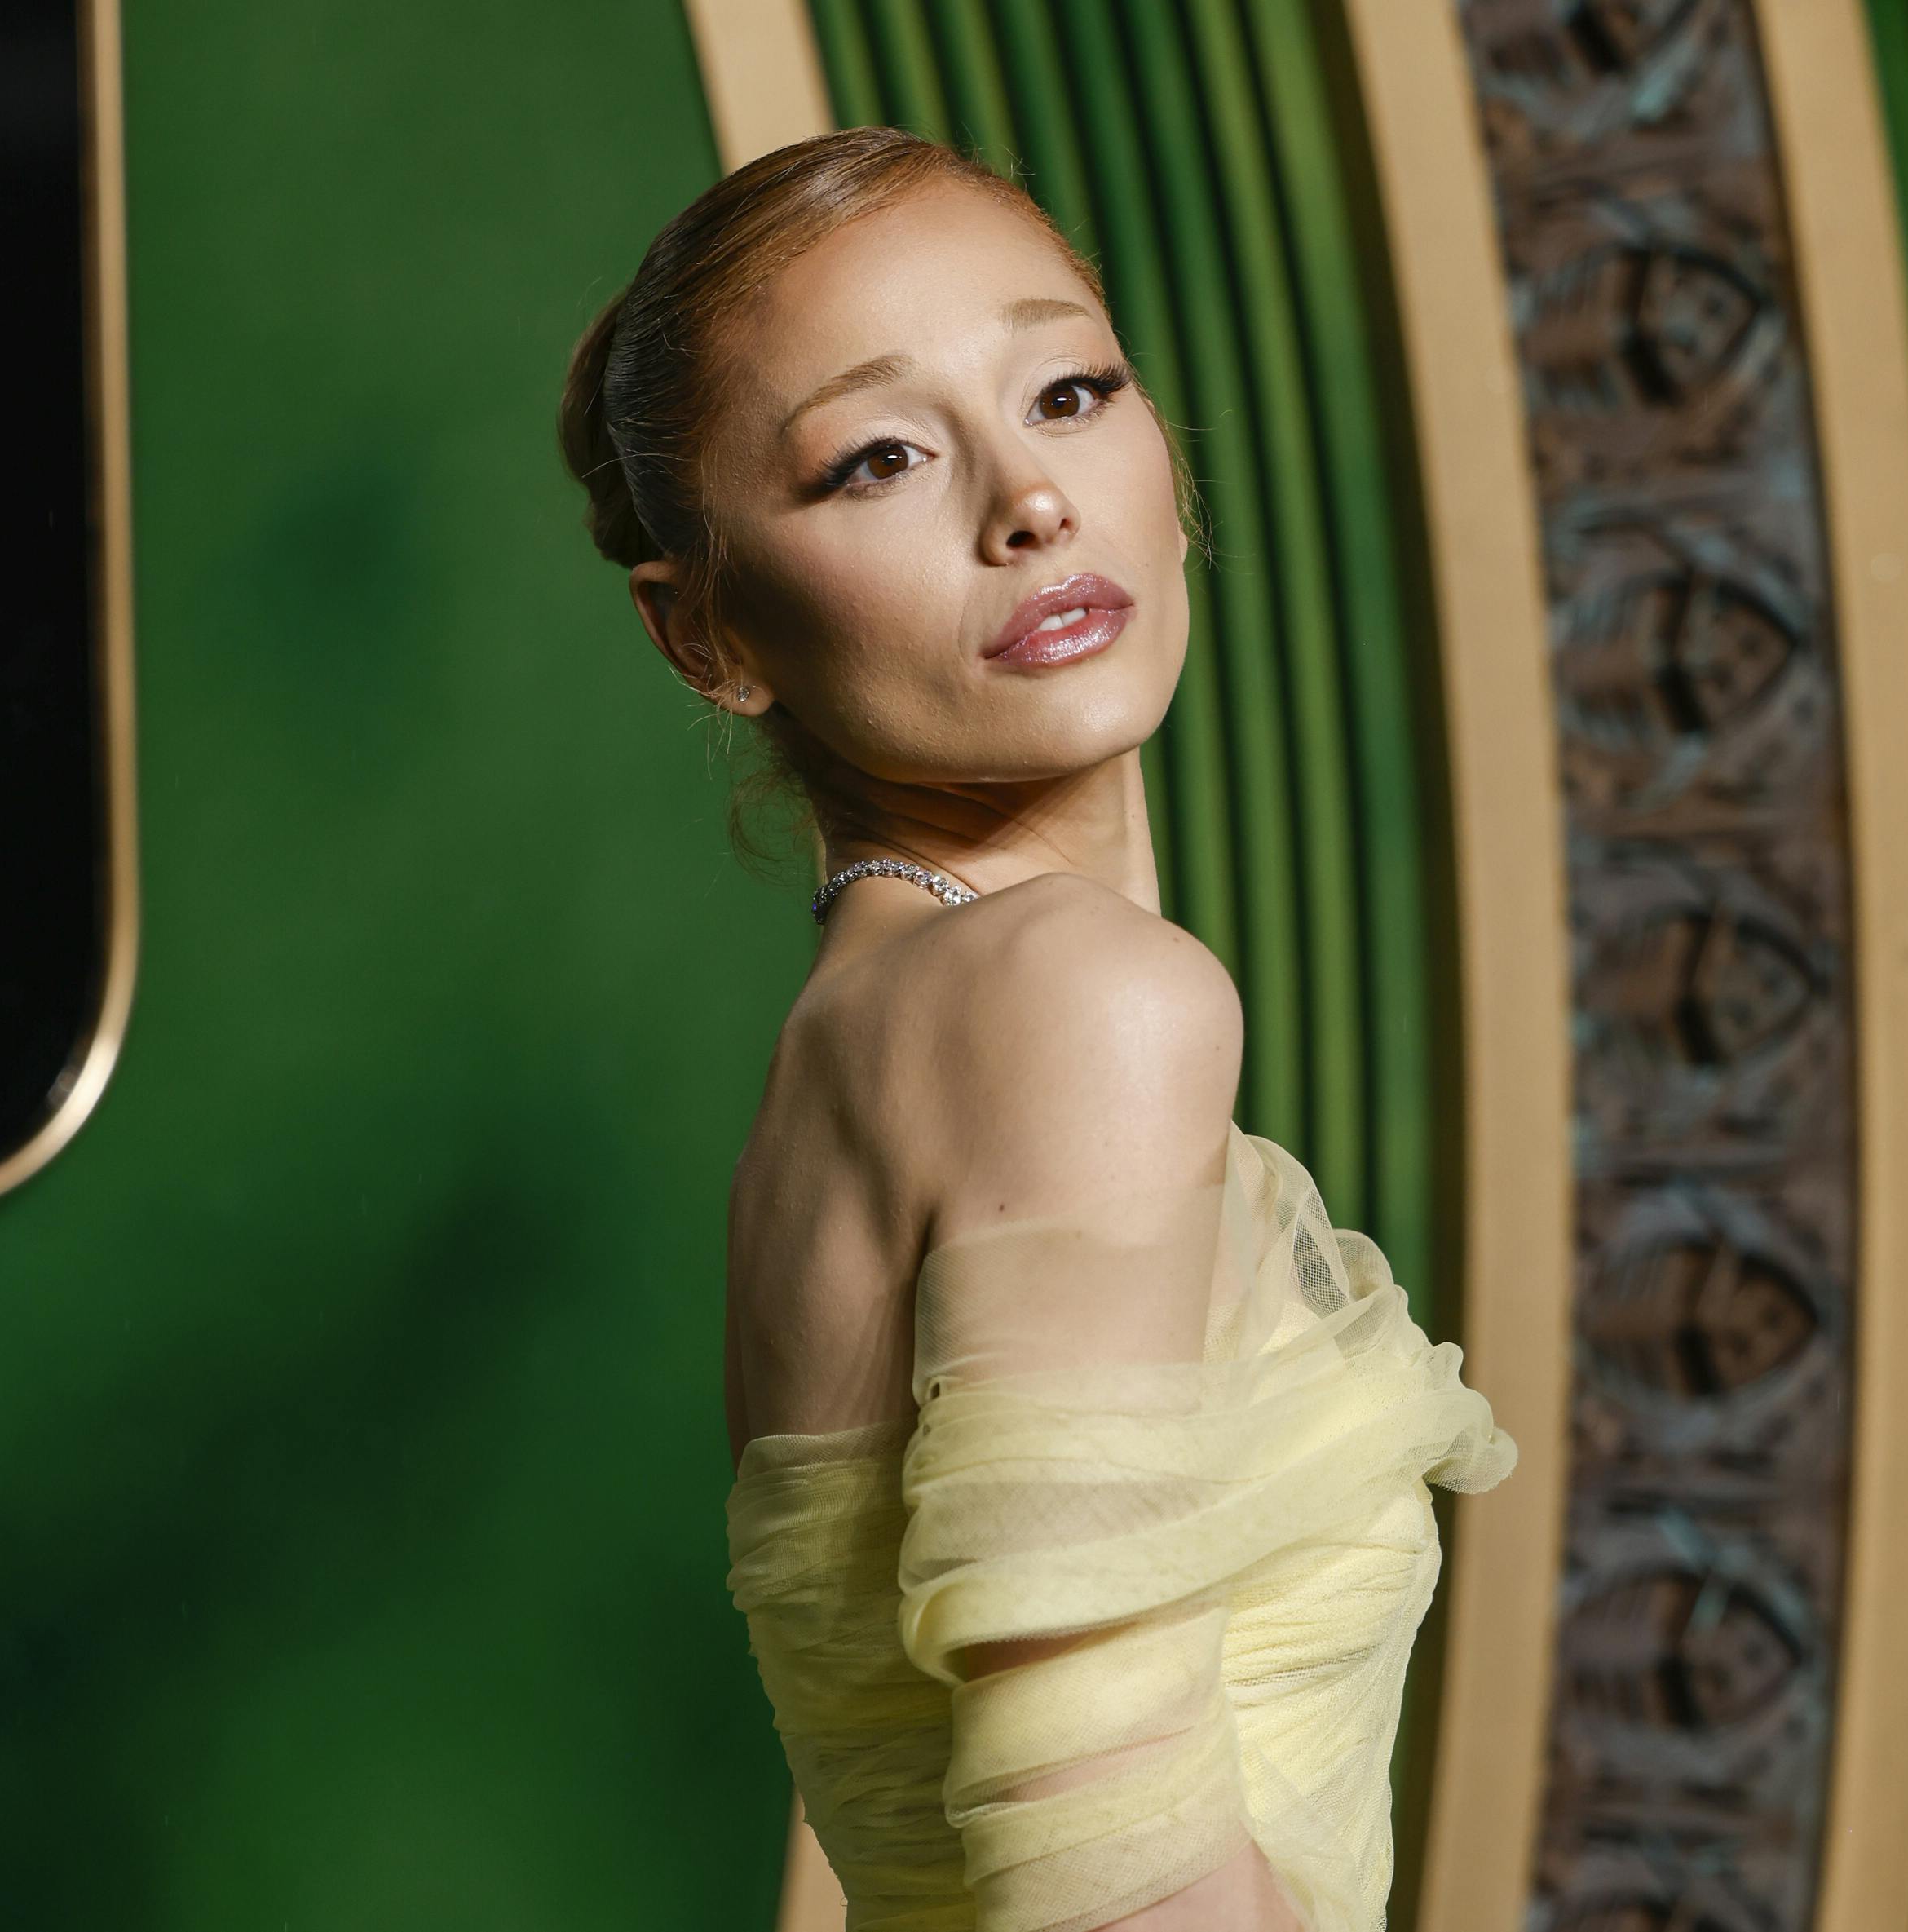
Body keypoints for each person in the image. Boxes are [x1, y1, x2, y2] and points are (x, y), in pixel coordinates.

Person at [556, 125, 1514, 1932]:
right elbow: (1114, 1899)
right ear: (707, 641)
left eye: (1070, 390)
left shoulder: (855, 1050)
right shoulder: (1075, 1009)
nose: (1031, 498)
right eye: (880, 459)